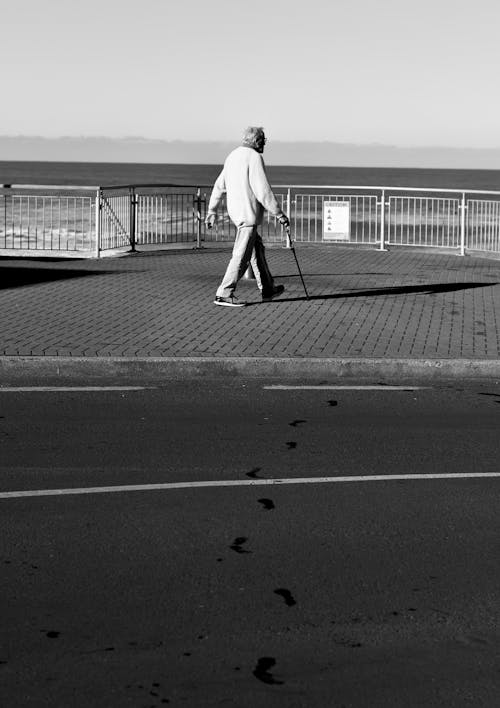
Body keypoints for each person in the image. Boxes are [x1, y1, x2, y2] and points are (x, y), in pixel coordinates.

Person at [205, 126, 290, 307]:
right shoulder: (254, 157)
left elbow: (219, 185)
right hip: (248, 215)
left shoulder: (232, 156)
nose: (264, 144)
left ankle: (268, 289)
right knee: (241, 255)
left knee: (256, 250)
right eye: (264, 140)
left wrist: (212, 210)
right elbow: (262, 190)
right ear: (257, 141)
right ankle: (224, 293)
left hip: (237, 214)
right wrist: (279, 214)